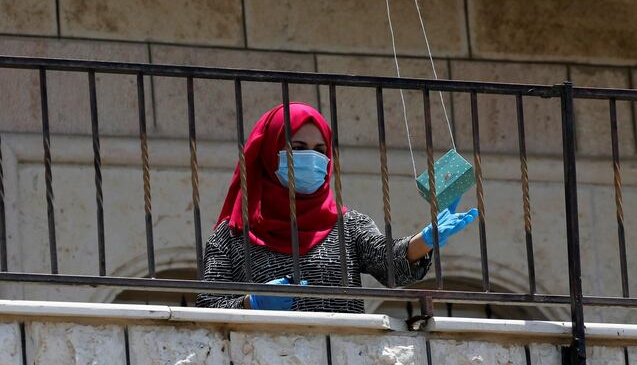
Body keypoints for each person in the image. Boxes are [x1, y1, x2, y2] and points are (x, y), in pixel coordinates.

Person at [196, 102, 478, 313]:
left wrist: (425, 240)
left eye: (320, 149)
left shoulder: (348, 224)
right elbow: (206, 308)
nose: (312, 157)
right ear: (270, 152)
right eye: (298, 146)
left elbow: (388, 264)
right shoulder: (231, 236)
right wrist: (251, 303)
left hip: (341, 363)